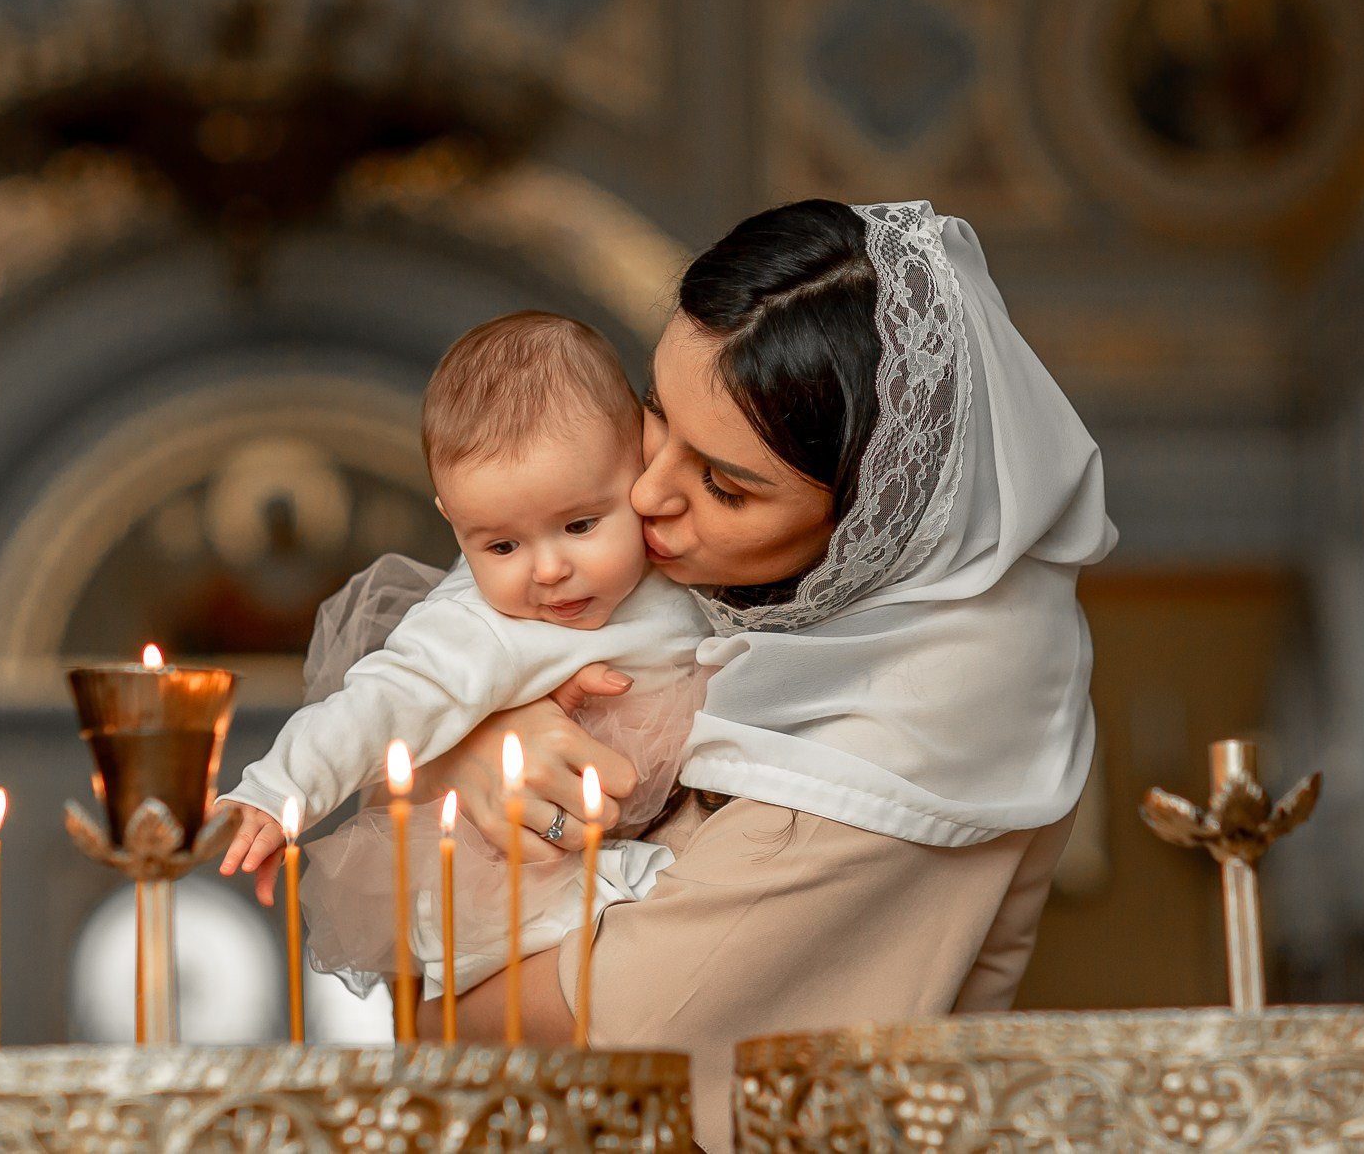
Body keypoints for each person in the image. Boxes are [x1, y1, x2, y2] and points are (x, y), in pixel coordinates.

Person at [408, 200, 1116, 1154]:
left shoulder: (918, 720)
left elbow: (564, 1026)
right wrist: (488, 734)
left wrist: (467, 802)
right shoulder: (750, 596)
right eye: (656, 421)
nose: (650, 494)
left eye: (726, 485)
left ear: (876, 520)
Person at [216, 311, 709, 998]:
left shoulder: (687, 556)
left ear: (641, 467)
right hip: (521, 878)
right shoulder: (479, 625)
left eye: (580, 525)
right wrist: (279, 791)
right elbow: (379, 701)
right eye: (502, 545)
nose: (548, 569)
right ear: (453, 518)